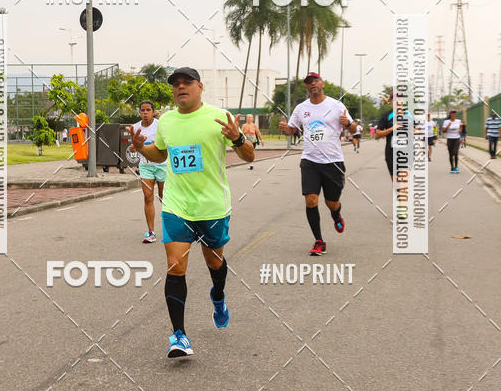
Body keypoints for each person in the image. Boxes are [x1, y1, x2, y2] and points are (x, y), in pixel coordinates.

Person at [128, 67, 254, 359]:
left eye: (187, 83)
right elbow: (161, 153)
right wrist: (142, 149)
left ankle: (218, 296)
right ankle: (179, 335)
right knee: (175, 266)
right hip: (177, 205)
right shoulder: (167, 121)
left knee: (214, 262)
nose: (180, 87)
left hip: (212, 206)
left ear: (200, 87)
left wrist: (238, 139)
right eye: (176, 84)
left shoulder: (219, 117)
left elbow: (249, 155)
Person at [278, 72, 356, 256]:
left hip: (333, 161)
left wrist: (348, 123)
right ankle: (319, 241)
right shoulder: (301, 108)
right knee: (311, 200)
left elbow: (353, 129)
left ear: (322, 83)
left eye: (315, 81)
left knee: (332, 203)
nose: (312, 84)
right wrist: (285, 129)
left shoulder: (336, 105)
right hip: (310, 161)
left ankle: (336, 215)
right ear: (306, 87)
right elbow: (291, 130)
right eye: (309, 83)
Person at [132, 100, 167, 243]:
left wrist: (156, 146)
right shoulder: (136, 127)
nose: (145, 113)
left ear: (153, 111)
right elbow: (133, 147)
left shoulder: (160, 125)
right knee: (148, 196)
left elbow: (166, 143)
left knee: (164, 197)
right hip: (145, 166)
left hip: (161, 165)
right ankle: (151, 232)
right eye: (143, 110)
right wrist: (134, 147)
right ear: (139, 112)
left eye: (148, 110)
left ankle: (170, 228)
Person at [375, 94, 399, 180]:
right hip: (391, 153)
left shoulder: (409, 115)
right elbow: (377, 135)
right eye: (395, 100)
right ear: (391, 102)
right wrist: (392, 128)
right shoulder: (386, 115)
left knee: (405, 183)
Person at [442, 109, 461, 173]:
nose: (454, 115)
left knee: (455, 153)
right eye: (452, 114)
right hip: (450, 139)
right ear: (450, 115)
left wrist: (460, 130)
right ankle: (452, 168)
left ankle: (456, 167)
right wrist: (448, 126)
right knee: (450, 154)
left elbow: (461, 129)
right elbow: (443, 131)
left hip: (457, 138)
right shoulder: (446, 122)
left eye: (455, 114)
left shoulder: (458, 121)